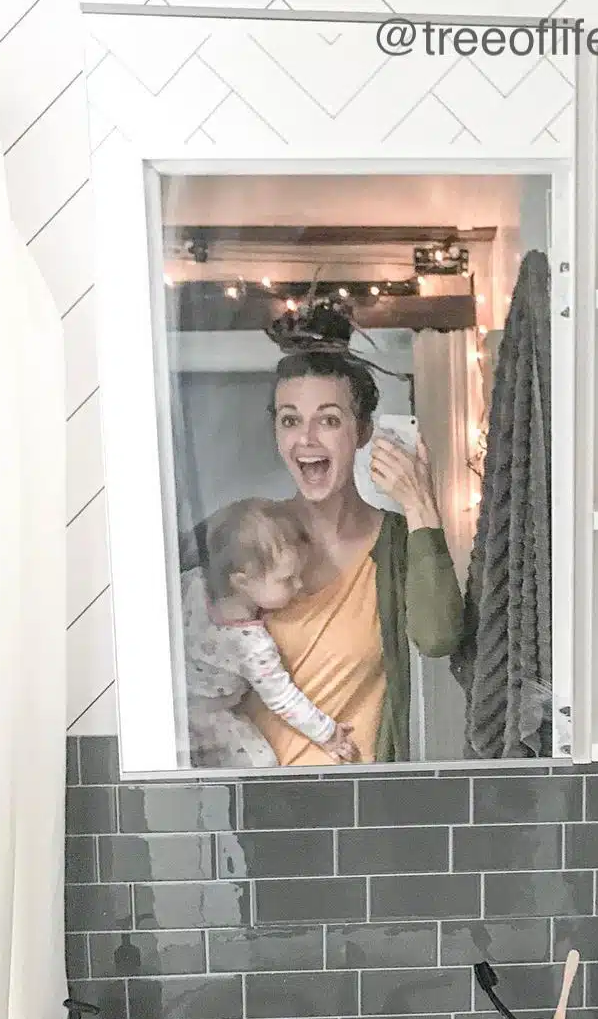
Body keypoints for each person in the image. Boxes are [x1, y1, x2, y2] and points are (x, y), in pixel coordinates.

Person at [240, 318, 464, 765]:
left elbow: (438, 638)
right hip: (255, 801)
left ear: (361, 432)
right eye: (290, 421)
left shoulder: (398, 542)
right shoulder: (252, 533)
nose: (306, 439)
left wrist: (421, 505)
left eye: (329, 420)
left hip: (359, 800)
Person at [181, 497, 358, 768]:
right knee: (262, 764)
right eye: (287, 579)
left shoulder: (192, 584)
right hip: (208, 716)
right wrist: (328, 735)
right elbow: (283, 696)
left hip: (172, 707)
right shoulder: (251, 645)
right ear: (242, 581)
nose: (299, 585)